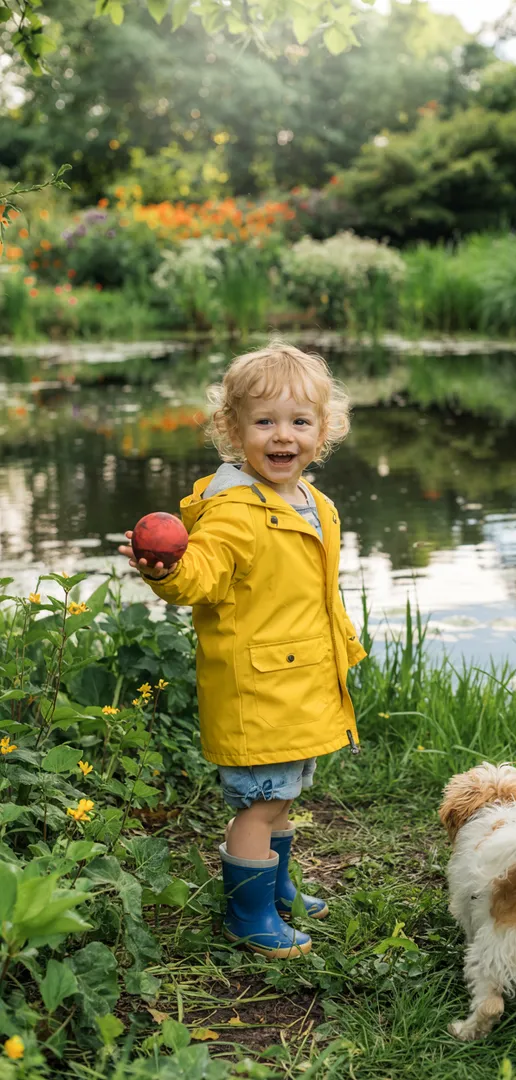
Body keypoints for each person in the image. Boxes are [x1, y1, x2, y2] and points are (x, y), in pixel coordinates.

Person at [119, 342, 366, 959]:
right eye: (264, 422)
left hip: (301, 683)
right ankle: (247, 913)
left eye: (299, 422)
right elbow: (200, 572)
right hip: (259, 691)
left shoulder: (312, 501)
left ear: (324, 429)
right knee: (260, 805)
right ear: (232, 430)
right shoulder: (234, 510)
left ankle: (275, 886)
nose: (283, 437)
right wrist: (165, 568)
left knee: (283, 795)